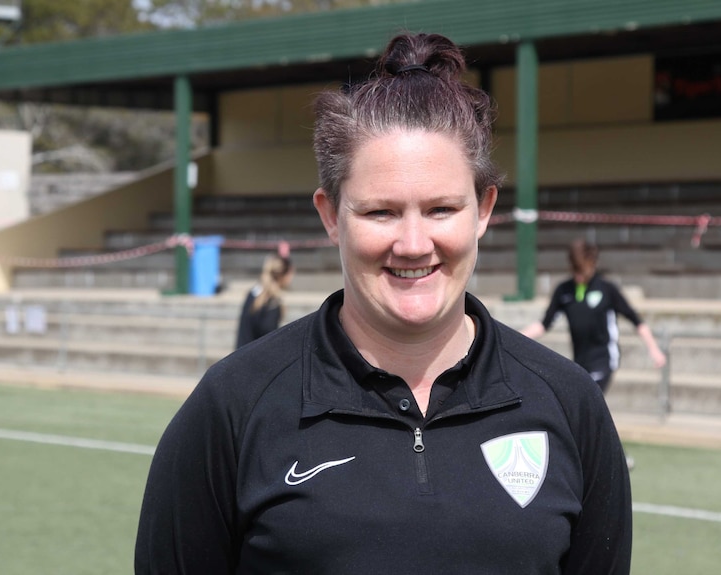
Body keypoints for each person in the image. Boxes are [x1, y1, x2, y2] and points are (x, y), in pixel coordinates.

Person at [136, 32, 631, 574]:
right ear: (330, 215)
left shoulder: (570, 404)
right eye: (380, 213)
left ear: (484, 209)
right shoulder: (232, 407)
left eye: (442, 209)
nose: (414, 244)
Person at [521, 238, 668, 392]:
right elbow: (543, 324)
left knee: (588, 398)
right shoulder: (564, 290)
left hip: (603, 359)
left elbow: (636, 321)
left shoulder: (606, 289)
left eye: (582, 270)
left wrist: (654, 350)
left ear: (593, 264)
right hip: (579, 362)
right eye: (575, 270)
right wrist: (513, 337)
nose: (578, 276)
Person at [235, 252, 294, 349]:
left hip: (240, 356)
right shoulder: (273, 304)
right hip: (254, 360)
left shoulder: (253, 294)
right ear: (284, 276)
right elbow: (269, 339)